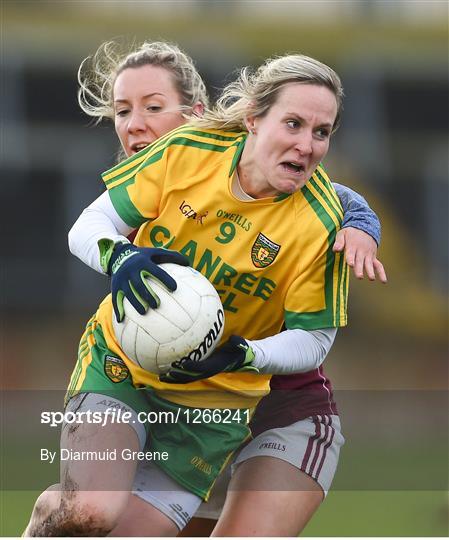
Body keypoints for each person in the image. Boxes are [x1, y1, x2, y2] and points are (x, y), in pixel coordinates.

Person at [24, 42, 385, 537]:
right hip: (123, 368)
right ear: (253, 119)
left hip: (218, 405)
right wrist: (120, 256)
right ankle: (55, 512)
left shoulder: (322, 222)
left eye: (321, 132)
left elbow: (316, 338)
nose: (307, 144)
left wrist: (244, 354)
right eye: (293, 124)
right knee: (89, 513)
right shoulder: (184, 156)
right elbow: (89, 225)